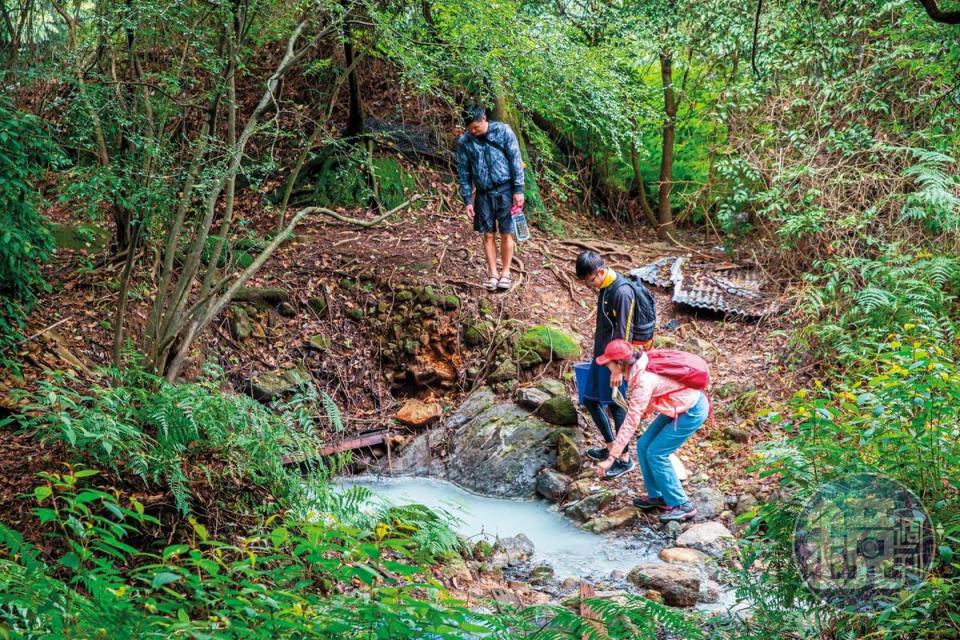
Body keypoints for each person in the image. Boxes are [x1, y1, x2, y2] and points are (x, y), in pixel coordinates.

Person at [594, 339, 709, 522]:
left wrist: (611, 458)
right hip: (677, 404)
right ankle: (657, 496)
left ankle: (682, 504)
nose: (606, 366)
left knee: (656, 453)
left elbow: (631, 421)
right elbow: (655, 394)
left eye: (608, 364)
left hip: (691, 410)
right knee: (643, 445)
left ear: (620, 364)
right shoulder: (638, 365)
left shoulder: (643, 380)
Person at [575, 250, 656, 480]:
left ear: (601, 271)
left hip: (616, 362)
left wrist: (618, 369)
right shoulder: (604, 287)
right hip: (602, 357)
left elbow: (624, 334)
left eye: (591, 280)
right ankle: (612, 446)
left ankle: (625, 459)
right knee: (590, 400)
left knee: (616, 406)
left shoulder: (622, 292)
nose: (590, 285)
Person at [456, 105, 525, 291]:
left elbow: (515, 160)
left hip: (506, 191)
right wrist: (467, 200)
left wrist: (519, 189)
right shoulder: (465, 142)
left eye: (476, 127)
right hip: (483, 194)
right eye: (469, 128)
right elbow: (463, 173)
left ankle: (506, 273)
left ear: (484, 118)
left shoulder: (503, 131)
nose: (473, 131)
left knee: (506, 233)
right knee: (487, 234)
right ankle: (493, 273)